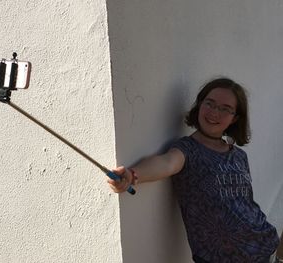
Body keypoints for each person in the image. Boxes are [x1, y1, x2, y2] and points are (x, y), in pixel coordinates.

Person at [108, 78, 280, 263]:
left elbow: (244, 204)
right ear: (200, 105)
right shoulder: (188, 149)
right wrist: (132, 175)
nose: (214, 112)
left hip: (265, 247)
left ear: (235, 117)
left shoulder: (239, 156)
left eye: (225, 108)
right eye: (210, 103)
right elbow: (167, 163)